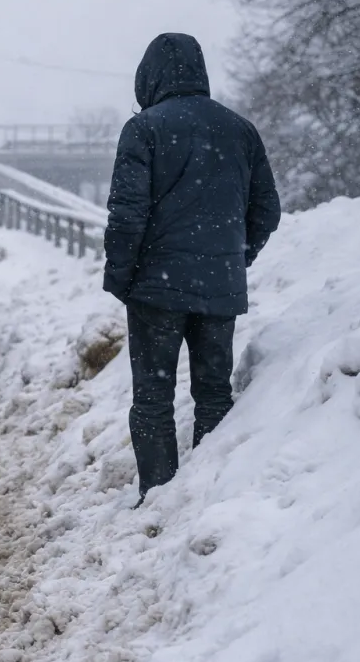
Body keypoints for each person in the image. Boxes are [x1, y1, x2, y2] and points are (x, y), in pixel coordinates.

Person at [103, 33, 282, 508]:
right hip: (219, 289)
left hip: (156, 290)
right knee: (213, 393)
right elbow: (267, 210)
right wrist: (234, 258)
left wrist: (121, 275)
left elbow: (127, 213)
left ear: (149, 77)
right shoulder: (240, 129)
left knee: (153, 399)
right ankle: (208, 500)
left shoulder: (144, 129)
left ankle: (158, 497)